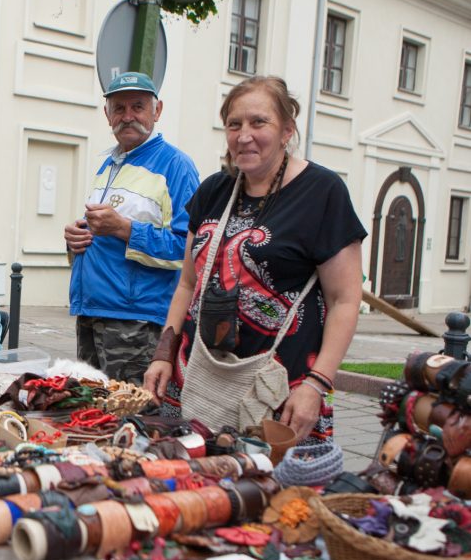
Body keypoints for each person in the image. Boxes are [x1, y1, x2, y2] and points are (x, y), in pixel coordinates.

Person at [143, 75, 366, 445]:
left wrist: (317, 384)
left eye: (258, 122)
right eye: (234, 124)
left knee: (269, 495)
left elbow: (345, 299)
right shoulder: (214, 190)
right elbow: (187, 283)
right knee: (191, 488)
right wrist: (163, 354)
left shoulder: (322, 193)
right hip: (197, 377)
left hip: (280, 389)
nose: (244, 135)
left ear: (287, 130)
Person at [64, 71, 200, 384]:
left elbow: (188, 251)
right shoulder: (108, 164)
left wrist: (125, 228)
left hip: (136, 322)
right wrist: (75, 240)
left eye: (138, 107)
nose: (128, 117)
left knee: (131, 418)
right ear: (107, 114)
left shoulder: (176, 166)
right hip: (92, 310)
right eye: (119, 109)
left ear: (157, 110)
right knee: (91, 413)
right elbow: (102, 236)